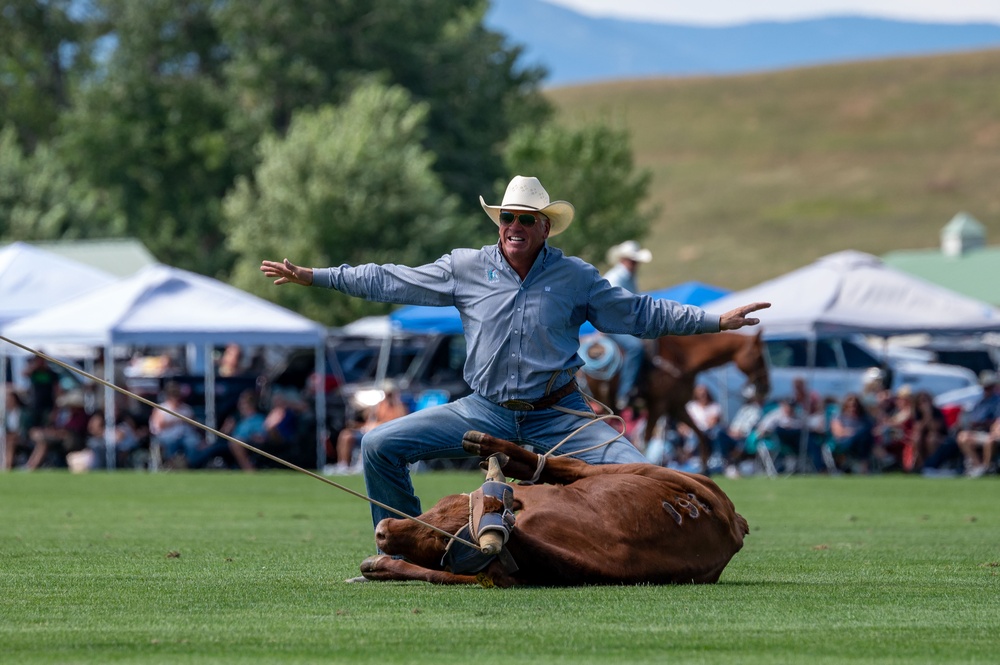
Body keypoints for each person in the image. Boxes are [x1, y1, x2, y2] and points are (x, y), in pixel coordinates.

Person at [260, 174, 769, 546]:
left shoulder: (576, 277)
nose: (515, 226)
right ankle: (406, 540)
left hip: (558, 414)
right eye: (508, 217)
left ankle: (703, 528)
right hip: (484, 409)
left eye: (527, 219)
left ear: (546, 226)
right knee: (378, 444)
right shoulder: (464, 267)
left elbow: (638, 313)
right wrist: (317, 276)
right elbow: (390, 278)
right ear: (498, 222)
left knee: (643, 480)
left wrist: (715, 322)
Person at [602, 240, 653, 411]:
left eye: (635, 261)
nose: (634, 264)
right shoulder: (615, 277)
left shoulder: (628, 278)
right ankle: (624, 394)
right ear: (623, 259)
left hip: (621, 324)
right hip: (611, 324)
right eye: (632, 260)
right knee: (635, 348)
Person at [332, 382, 409, 475]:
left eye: (390, 394)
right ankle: (343, 465)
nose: (388, 396)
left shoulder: (399, 407)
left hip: (384, 435)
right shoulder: (379, 405)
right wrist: (358, 424)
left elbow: (400, 422)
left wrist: (396, 401)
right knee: (346, 435)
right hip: (369, 431)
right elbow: (368, 420)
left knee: (368, 440)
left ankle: (361, 465)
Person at [954, 371, 1000, 478]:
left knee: (990, 440)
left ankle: (987, 468)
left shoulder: (997, 402)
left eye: (989, 387)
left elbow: (996, 421)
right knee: (963, 437)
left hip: (991, 433)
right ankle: (977, 467)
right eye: (985, 387)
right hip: (980, 432)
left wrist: (984, 423)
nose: (987, 390)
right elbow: (972, 418)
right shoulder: (981, 402)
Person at [148, 381, 201, 469]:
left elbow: (194, 425)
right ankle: (171, 465)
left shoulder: (186, 409)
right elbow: (157, 427)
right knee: (170, 443)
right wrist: (176, 420)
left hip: (186, 435)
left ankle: (190, 465)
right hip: (168, 435)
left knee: (193, 443)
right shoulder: (162, 408)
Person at [828, 393, 876, 473]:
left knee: (864, 437)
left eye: (855, 406)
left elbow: (872, 429)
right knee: (863, 435)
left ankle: (862, 465)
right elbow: (838, 432)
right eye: (850, 406)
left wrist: (852, 431)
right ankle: (864, 465)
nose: (853, 408)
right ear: (845, 406)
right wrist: (852, 432)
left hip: (861, 442)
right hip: (844, 442)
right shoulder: (840, 417)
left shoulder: (864, 418)